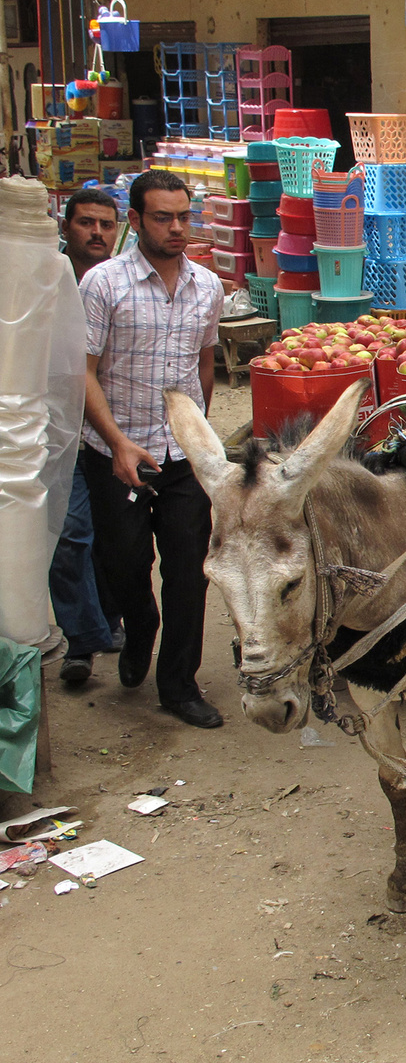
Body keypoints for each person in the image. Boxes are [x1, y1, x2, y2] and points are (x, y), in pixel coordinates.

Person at [79, 170, 224, 729]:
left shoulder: (206, 287)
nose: (177, 227)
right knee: (123, 563)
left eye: (184, 216)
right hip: (116, 452)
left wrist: (201, 434)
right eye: (163, 217)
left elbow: (204, 363)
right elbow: (83, 373)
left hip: (183, 456)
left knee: (190, 569)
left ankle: (179, 685)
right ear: (135, 220)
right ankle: (139, 627)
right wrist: (117, 442)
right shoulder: (103, 285)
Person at [51, 187, 124, 685]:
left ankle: (107, 621)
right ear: (65, 227)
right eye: (85, 223)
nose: (96, 233)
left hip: (114, 433)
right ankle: (82, 640)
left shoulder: (122, 283)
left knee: (114, 538)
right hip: (58, 434)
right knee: (69, 535)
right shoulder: (46, 283)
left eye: (104, 224)